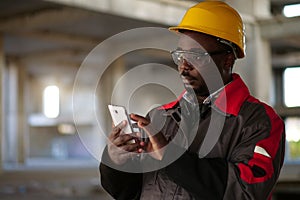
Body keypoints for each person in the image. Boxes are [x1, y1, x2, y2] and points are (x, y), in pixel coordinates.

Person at [99, 1, 285, 199]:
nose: (184, 66)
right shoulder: (159, 116)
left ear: (227, 60)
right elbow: (129, 192)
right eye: (180, 56)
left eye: (196, 55)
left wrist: (169, 154)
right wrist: (116, 162)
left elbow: (245, 192)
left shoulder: (259, 122)